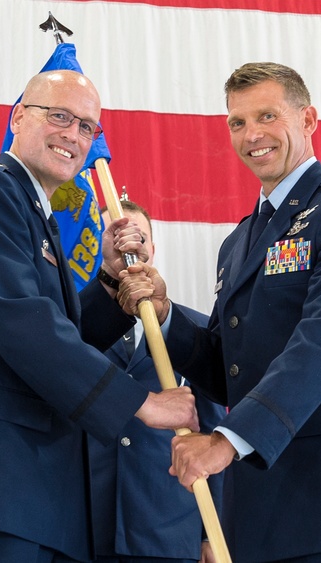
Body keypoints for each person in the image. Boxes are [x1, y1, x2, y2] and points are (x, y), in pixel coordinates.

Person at [0, 69, 200, 563]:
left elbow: (65, 332)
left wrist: (110, 279)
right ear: (19, 117)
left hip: (43, 499)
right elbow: (24, 324)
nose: (73, 134)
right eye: (60, 116)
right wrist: (142, 403)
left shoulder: (34, 213)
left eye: (87, 126)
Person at [118, 62, 321, 562]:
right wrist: (164, 315)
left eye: (267, 116)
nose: (252, 135)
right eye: (237, 123)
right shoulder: (239, 241)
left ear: (308, 119)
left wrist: (227, 440)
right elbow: (229, 370)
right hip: (253, 511)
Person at [88, 200, 226, 563]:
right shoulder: (70, 332)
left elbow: (214, 434)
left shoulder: (192, 331)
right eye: (116, 239)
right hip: (84, 525)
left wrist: (212, 534)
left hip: (167, 527)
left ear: (153, 248)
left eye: (139, 239)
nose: (129, 249)